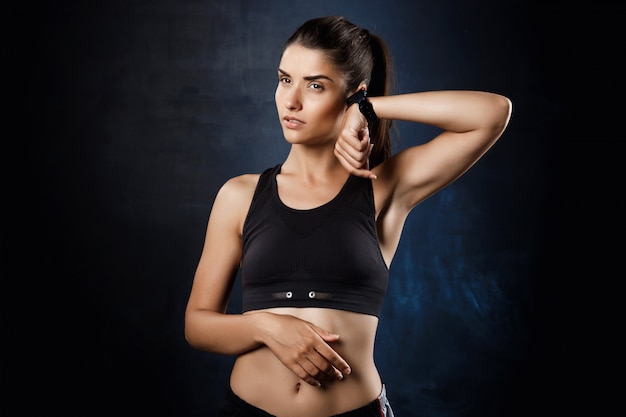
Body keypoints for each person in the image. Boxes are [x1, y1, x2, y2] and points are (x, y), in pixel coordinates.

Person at [185, 15, 512, 417]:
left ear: (352, 94)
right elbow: (197, 324)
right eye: (285, 79)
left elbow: (492, 113)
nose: (291, 100)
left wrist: (369, 107)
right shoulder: (240, 195)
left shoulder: (385, 186)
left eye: (315, 85)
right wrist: (267, 327)